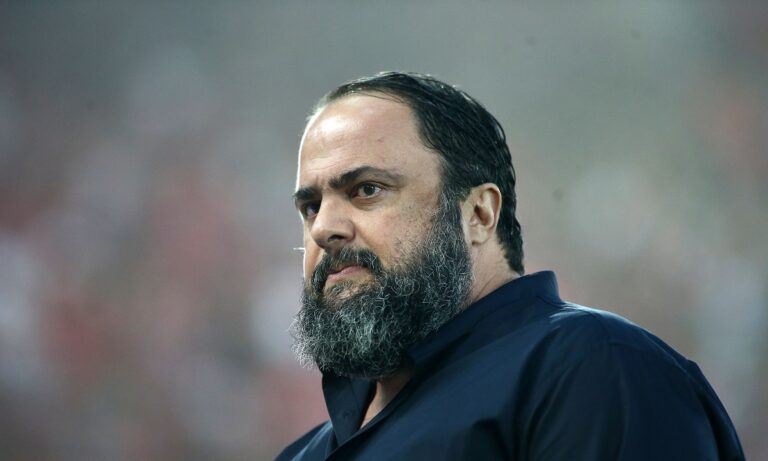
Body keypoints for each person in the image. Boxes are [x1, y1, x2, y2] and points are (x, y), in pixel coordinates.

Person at [277, 71, 744, 460]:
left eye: (367, 190)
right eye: (311, 207)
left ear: (479, 214)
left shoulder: (593, 367)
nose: (324, 229)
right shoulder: (303, 454)